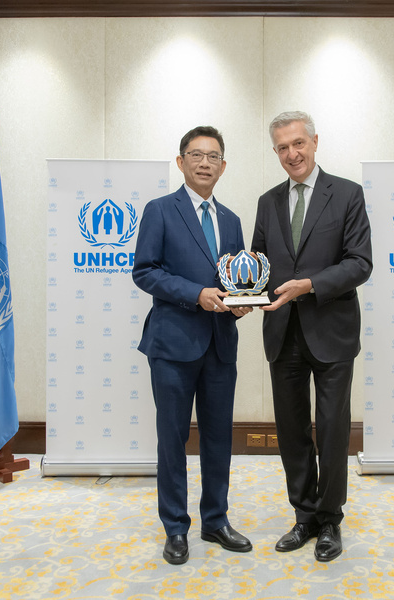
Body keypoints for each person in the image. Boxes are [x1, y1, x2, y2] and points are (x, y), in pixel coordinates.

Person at [251, 111, 373, 562]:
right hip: (282, 330)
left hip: (332, 330)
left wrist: (310, 285)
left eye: (298, 143)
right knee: (291, 429)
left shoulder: (347, 194)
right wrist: (243, 293)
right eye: (282, 147)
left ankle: (329, 519)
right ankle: (303, 515)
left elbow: (360, 262)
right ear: (276, 151)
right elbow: (259, 263)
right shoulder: (267, 201)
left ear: (315, 142)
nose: (292, 154)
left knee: (334, 428)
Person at [133, 126, 253, 565]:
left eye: (213, 156)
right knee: (173, 439)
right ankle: (175, 528)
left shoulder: (232, 220)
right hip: (172, 344)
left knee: (219, 437)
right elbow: (145, 271)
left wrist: (242, 304)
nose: (205, 163)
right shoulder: (160, 210)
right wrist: (195, 293)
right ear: (181, 161)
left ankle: (215, 520)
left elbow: (238, 279)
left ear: (224, 166)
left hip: (221, 344)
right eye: (196, 155)